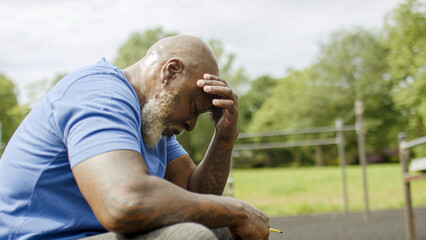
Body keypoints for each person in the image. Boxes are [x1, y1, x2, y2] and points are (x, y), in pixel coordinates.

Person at [0, 35, 270, 239]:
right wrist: (237, 209)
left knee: (224, 228)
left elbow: (195, 196)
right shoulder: (100, 93)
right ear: (170, 72)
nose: (190, 124)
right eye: (195, 108)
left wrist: (224, 137)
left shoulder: (151, 122)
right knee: (190, 236)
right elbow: (123, 202)